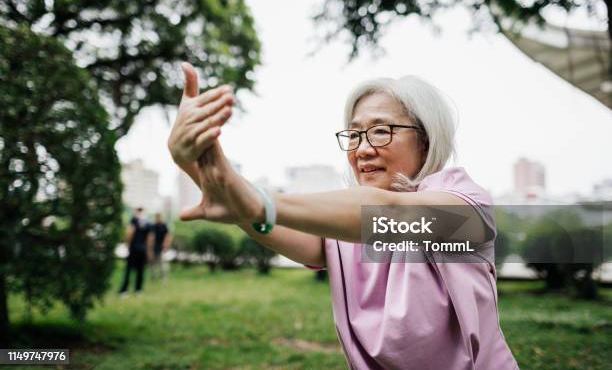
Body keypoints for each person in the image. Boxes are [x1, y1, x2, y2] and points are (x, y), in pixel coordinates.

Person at [168, 62, 519, 369]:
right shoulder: (342, 224)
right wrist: (194, 163)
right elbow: (271, 223)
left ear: (426, 139)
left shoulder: (464, 207)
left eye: (382, 130)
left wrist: (257, 202)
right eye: (354, 134)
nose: (363, 148)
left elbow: (391, 214)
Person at [119, 207, 151, 295]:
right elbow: (149, 238)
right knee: (140, 271)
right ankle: (138, 290)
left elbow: (130, 232)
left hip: (134, 248)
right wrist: (148, 250)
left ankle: (124, 290)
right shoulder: (147, 222)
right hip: (143, 250)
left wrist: (127, 244)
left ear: (137, 211)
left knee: (128, 270)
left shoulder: (134, 220)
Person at [150, 212, 172, 281]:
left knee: (163, 263)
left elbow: (167, 235)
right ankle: (154, 277)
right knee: (154, 264)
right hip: (155, 247)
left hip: (162, 247)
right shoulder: (153, 226)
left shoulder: (164, 226)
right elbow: (151, 237)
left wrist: (166, 244)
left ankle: (164, 278)